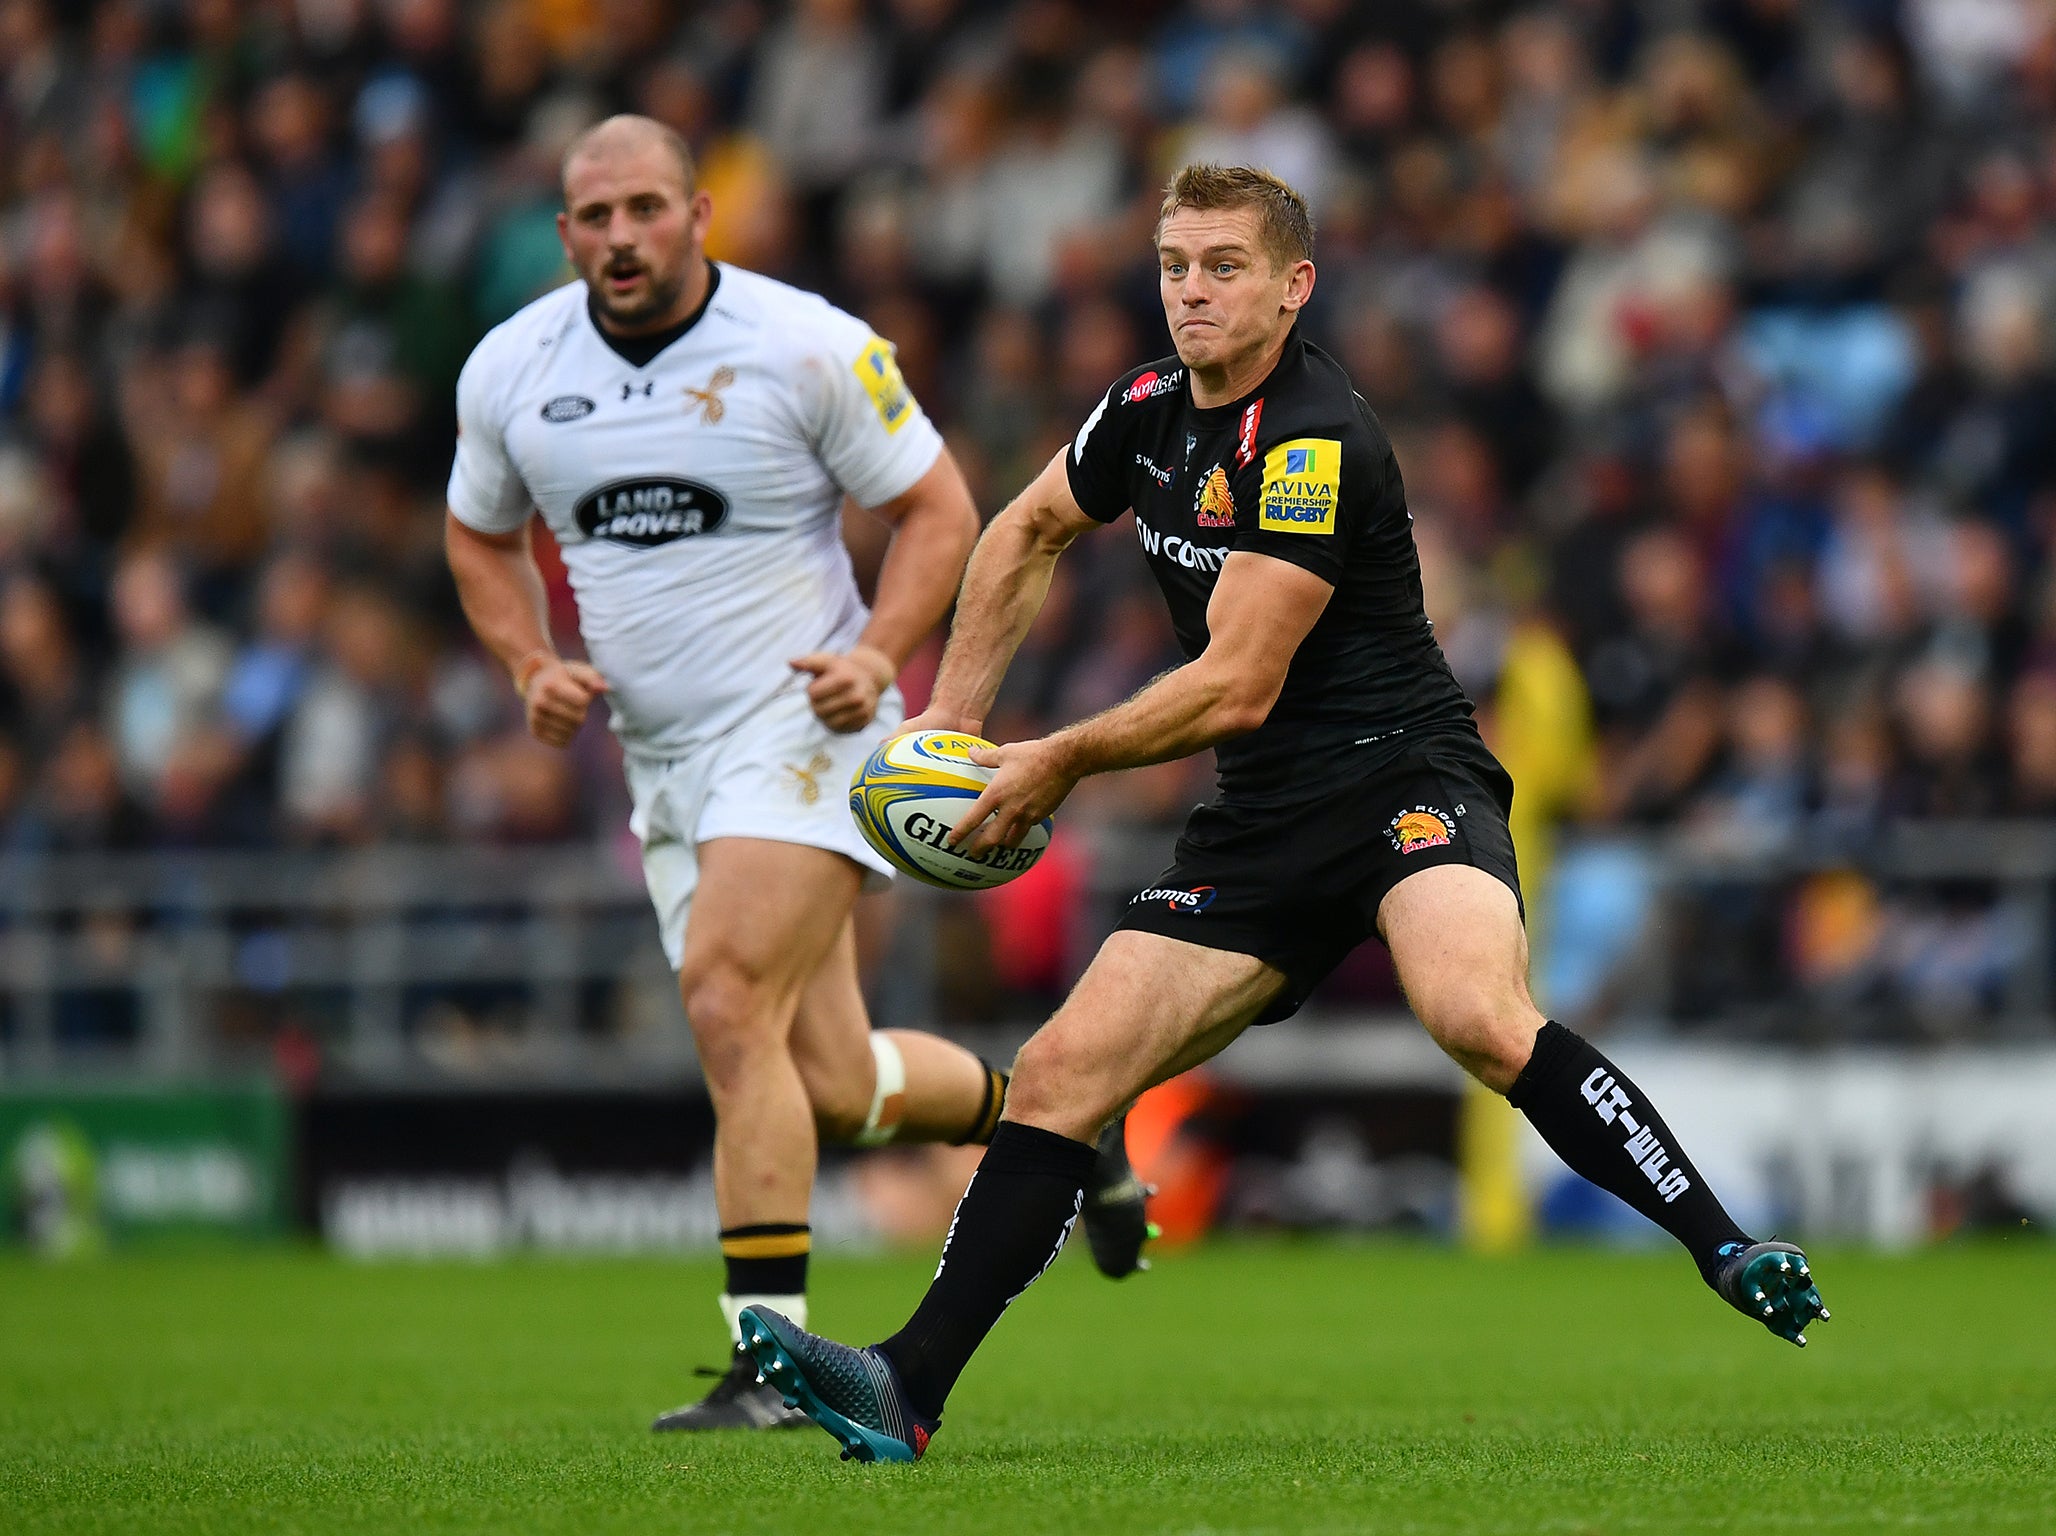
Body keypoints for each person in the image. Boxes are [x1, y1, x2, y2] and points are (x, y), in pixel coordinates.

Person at [733, 164, 1831, 1464]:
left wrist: (1054, 760)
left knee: (1477, 1017)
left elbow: (1240, 683)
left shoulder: (1314, 438)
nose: (1192, 291)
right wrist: (957, 731)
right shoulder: (1142, 409)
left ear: (1293, 285)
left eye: (1224, 267)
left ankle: (1723, 1245)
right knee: (1065, 1073)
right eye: (1175, 265)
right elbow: (1024, 530)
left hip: (1401, 779)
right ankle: (902, 1389)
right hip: (1262, 825)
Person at [441, 115, 1152, 1435]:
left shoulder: (806, 344)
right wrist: (524, 660)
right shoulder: (512, 370)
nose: (620, 238)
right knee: (828, 1081)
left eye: (645, 209)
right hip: (660, 761)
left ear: (700, 213)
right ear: (564, 235)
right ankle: (1068, 1131)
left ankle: (766, 1369)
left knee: (724, 1001)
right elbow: (477, 536)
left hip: (805, 731)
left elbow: (941, 509)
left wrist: (879, 650)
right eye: (595, 219)